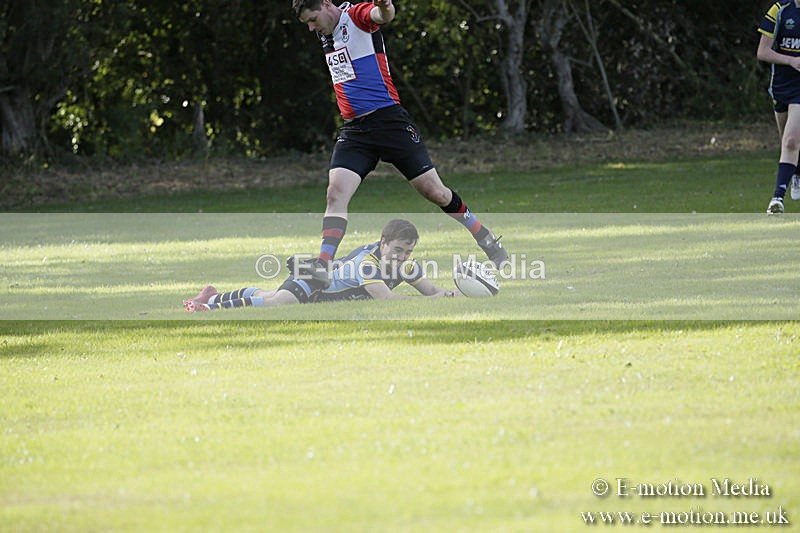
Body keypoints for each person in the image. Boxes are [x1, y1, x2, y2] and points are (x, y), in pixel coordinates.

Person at [289, 0, 508, 287]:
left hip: (389, 122)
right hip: (355, 130)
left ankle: (485, 237)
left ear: (327, 5)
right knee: (336, 193)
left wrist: (384, 6)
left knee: (436, 193)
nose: (311, 27)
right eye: (307, 23)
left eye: (313, 19)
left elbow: (381, 15)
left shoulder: (355, 17)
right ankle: (322, 265)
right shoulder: (325, 31)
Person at [183, 219, 458, 312]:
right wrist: (434, 300)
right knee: (279, 303)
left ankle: (213, 294)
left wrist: (451, 294)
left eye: (408, 252)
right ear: (383, 242)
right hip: (315, 281)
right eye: (397, 250)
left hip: (322, 281)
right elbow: (386, 299)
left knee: (266, 297)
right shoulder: (368, 264)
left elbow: (430, 288)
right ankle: (208, 307)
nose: (402, 257)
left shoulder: (405, 265)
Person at [758, 0, 800, 214]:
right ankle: (797, 171)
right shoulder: (780, 10)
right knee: (786, 140)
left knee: (791, 141)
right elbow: (762, 52)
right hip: (781, 86)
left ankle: (777, 199)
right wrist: (791, 61)